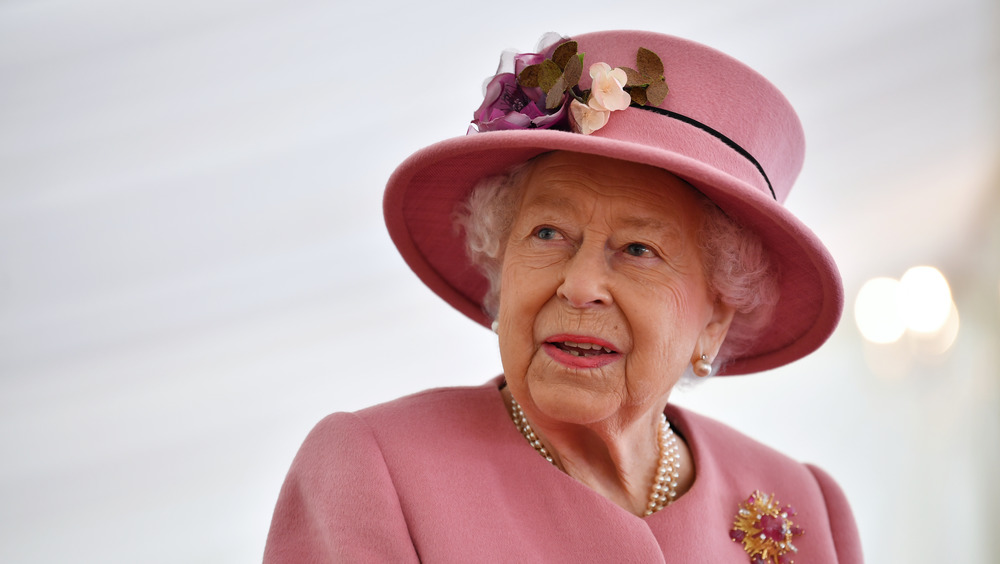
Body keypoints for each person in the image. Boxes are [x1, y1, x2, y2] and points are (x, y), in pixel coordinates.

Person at [264, 30, 862, 563]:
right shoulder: (376, 471)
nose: (579, 285)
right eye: (547, 234)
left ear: (715, 318)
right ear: (501, 268)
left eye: (637, 249)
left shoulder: (805, 508)